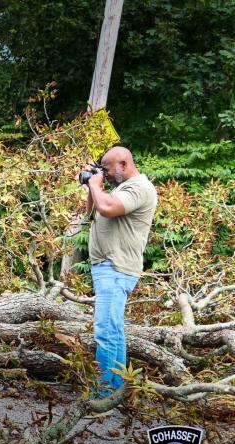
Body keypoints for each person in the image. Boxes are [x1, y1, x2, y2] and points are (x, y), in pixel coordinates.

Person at [81, 146, 158, 394]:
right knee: (114, 329)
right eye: (101, 169)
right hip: (108, 266)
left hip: (116, 267)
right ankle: (115, 389)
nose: (105, 173)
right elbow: (92, 212)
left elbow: (108, 209)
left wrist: (95, 183)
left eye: (107, 168)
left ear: (123, 164)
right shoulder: (120, 189)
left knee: (105, 331)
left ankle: (102, 393)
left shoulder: (138, 187)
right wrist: (92, 185)